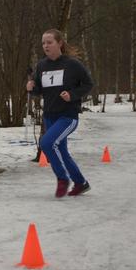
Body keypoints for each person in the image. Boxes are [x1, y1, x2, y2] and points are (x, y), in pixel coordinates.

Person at [26, 29, 94, 197]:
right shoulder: (41, 65)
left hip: (68, 116)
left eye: (49, 42)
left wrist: (72, 95)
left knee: (46, 143)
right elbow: (39, 90)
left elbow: (88, 84)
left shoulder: (72, 64)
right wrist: (31, 88)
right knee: (62, 151)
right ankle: (81, 183)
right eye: (43, 43)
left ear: (60, 43)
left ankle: (62, 178)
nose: (46, 46)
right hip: (49, 115)